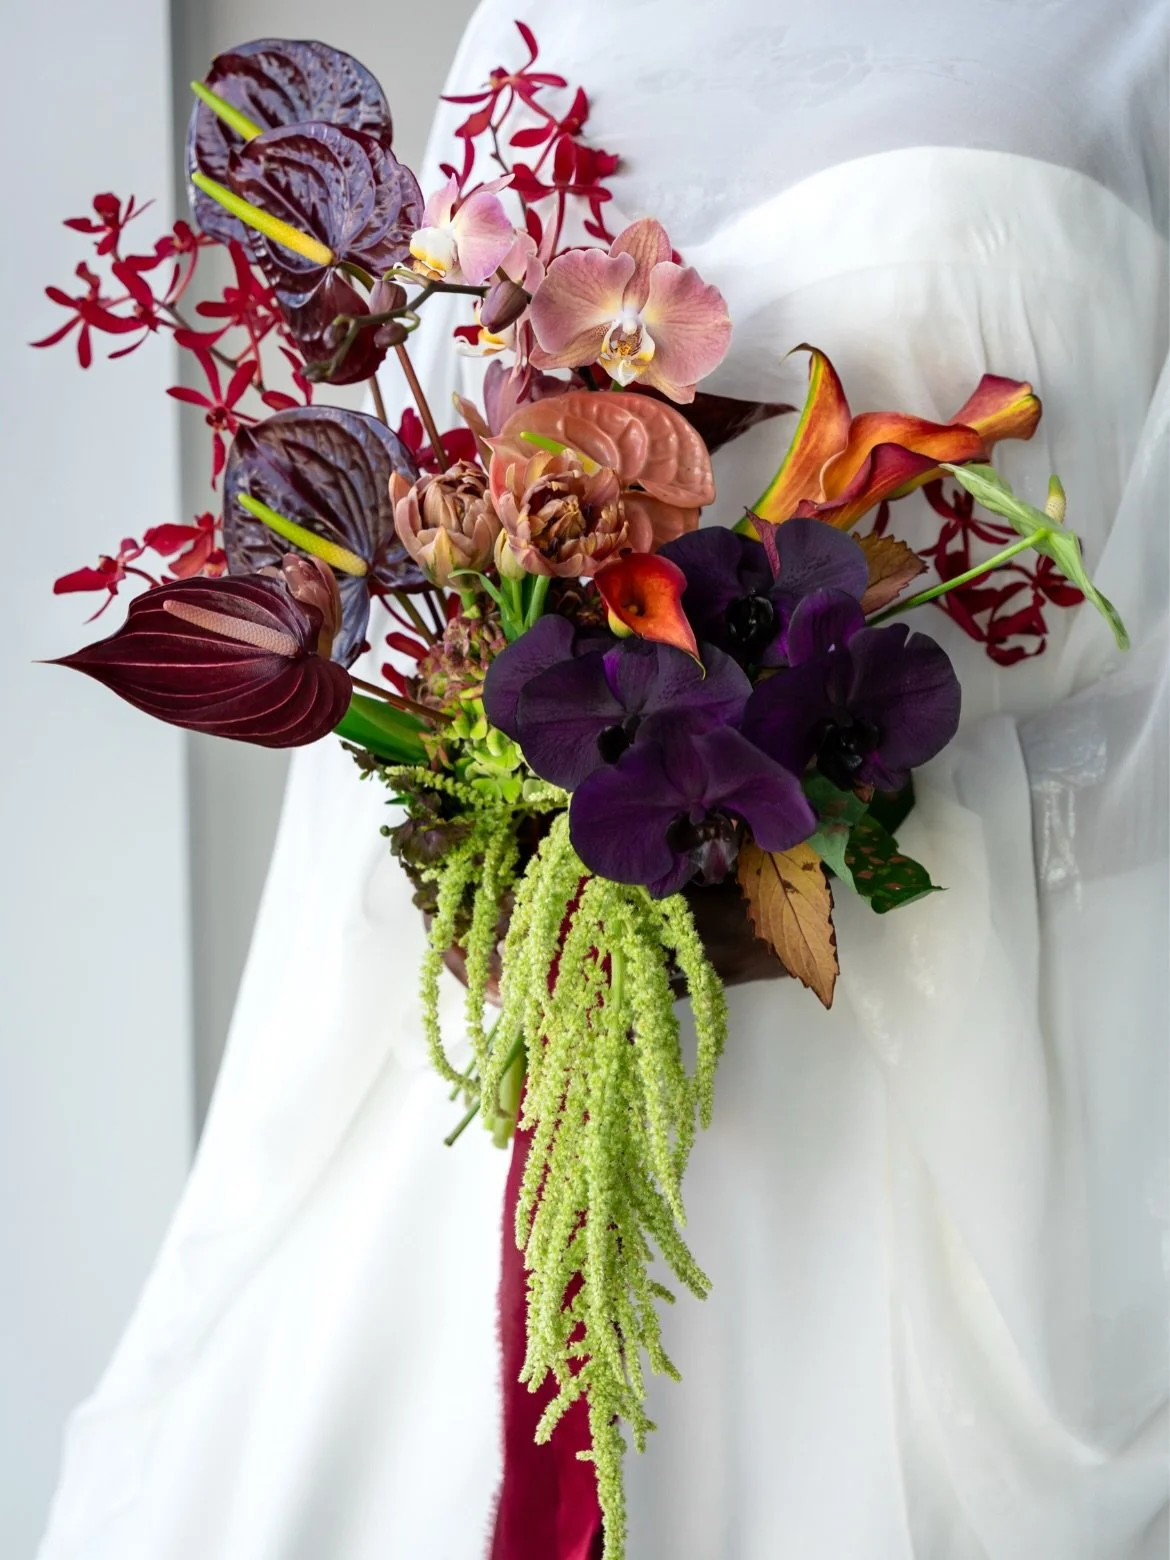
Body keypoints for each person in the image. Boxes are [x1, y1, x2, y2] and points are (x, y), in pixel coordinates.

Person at [38, 1, 1169, 1554]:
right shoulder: (538, 26)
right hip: (512, 1076)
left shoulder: (1127, 43)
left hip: (937, 1076)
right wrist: (468, 829)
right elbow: (419, 506)